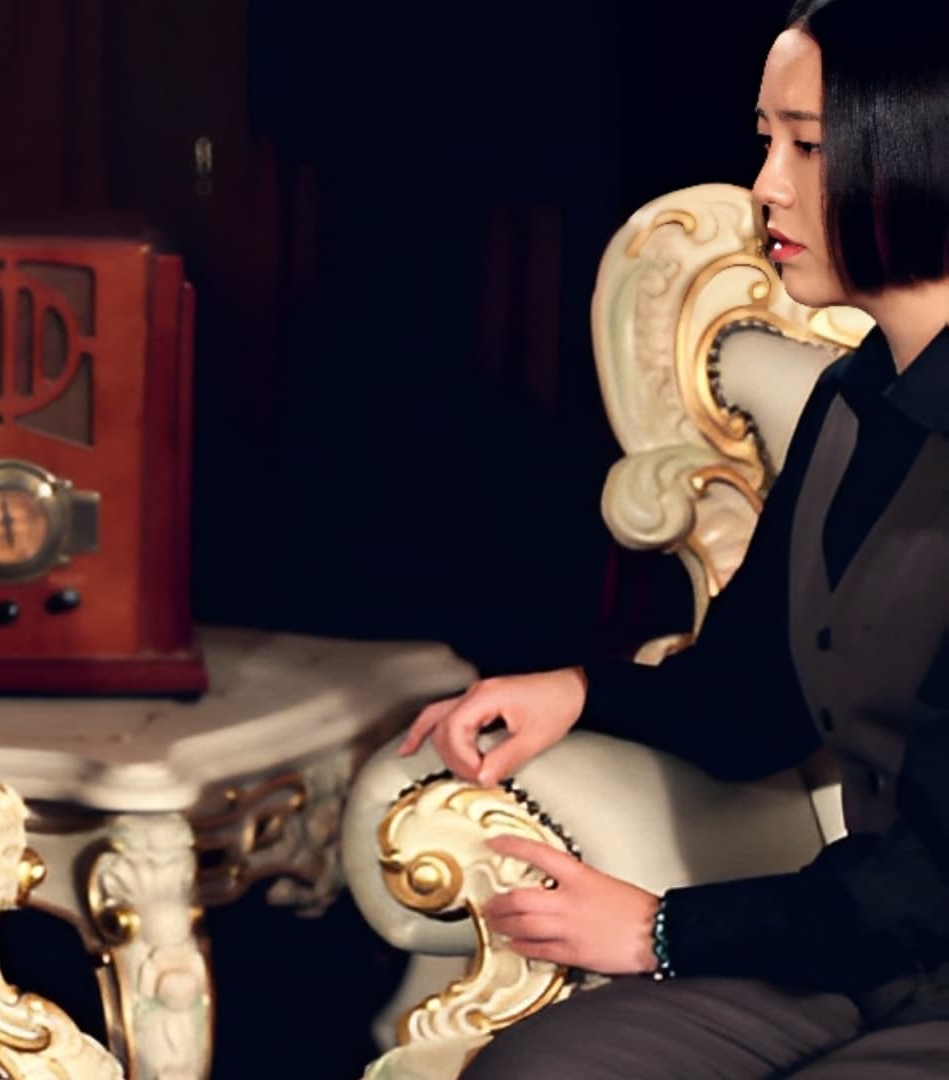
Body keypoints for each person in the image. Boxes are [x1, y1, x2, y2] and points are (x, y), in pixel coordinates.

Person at [403, 0, 949, 1075]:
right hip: (865, 955)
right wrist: (581, 690)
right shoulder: (851, 403)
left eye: (808, 145)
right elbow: (751, 708)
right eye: (766, 141)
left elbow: (934, 879)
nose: (767, 187)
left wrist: (662, 929)